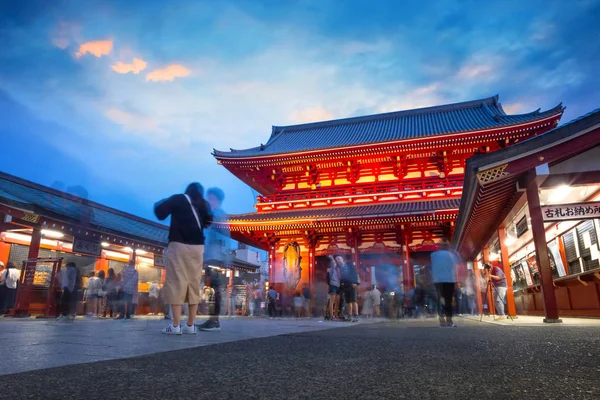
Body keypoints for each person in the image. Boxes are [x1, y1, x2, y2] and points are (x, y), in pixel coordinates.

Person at [155, 182, 213, 335]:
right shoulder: (204, 204)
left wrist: (160, 202)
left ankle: (175, 326)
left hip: (178, 244)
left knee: (176, 281)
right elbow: (208, 223)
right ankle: (190, 325)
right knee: (193, 283)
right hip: (198, 247)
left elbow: (160, 213)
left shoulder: (178, 199)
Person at [197, 187, 229, 331]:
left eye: (211, 198)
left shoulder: (219, 216)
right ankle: (212, 319)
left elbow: (223, 239)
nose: (208, 201)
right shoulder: (213, 215)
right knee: (211, 289)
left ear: (217, 200)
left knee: (214, 290)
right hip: (211, 257)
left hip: (216, 258)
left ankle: (214, 320)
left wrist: (223, 258)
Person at [430, 248, 458, 327]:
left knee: (441, 300)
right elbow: (453, 268)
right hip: (448, 280)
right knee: (447, 301)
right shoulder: (450, 255)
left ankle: (442, 321)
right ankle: (449, 321)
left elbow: (432, 269)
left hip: (439, 281)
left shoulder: (434, 256)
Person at [339, 256, 360, 322]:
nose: (338, 261)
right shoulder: (341, 268)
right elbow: (342, 277)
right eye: (337, 260)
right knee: (348, 302)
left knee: (353, 300)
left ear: (343, 259)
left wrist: (355, 283)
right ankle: (349, 315)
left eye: (339, 259)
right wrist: (341, 283)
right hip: (345, 285)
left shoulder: (349, 264)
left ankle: (356, 315)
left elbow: (354, 273)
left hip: (352, 285)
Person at [326, 255, 340, 321]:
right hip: (333, 285)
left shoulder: (338, 269)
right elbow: (333, 263)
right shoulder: (332, 269)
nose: (335, 263)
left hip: (338, 285)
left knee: (337, 301)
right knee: (332, 301)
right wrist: (332, 258)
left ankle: (336, 315)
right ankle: (331, 315)